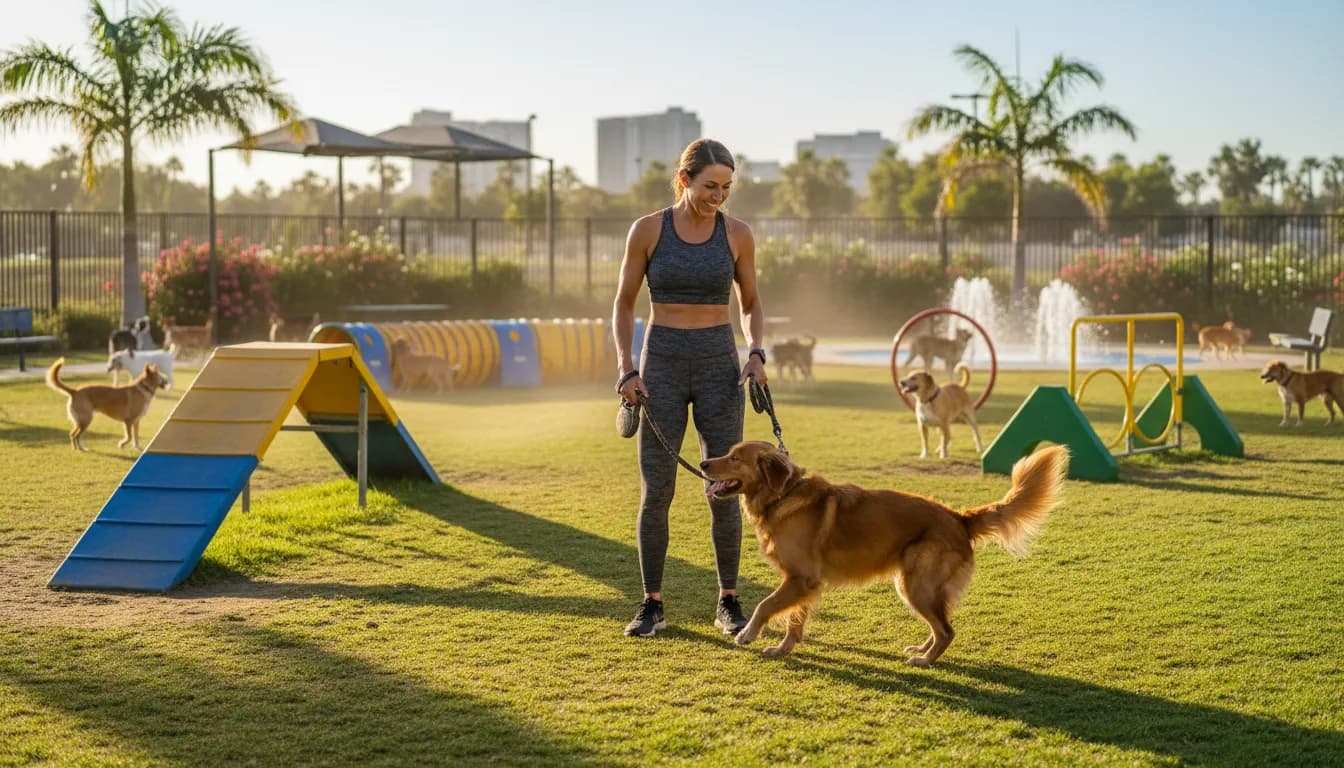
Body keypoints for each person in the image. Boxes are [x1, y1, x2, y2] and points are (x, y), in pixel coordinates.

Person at [611, 138, 768, 638]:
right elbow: (623, 304)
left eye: (725, 187)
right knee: (657, 489)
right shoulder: (648, 230)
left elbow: (751, 304)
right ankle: (651, 604)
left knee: (724, 488)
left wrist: (756, 351)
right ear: (684, 180)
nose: (717, 196)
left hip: (719, 363)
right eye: (708, 186)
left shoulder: (738, 235)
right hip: (661, 365)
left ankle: (728, 600)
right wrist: (625, 369)